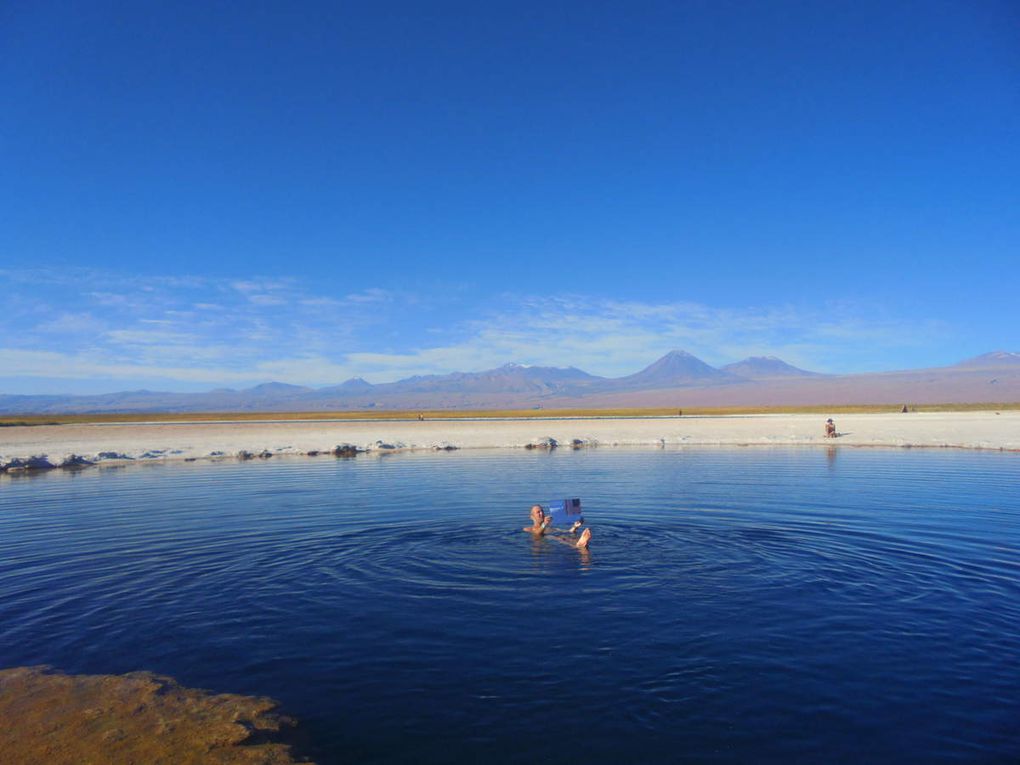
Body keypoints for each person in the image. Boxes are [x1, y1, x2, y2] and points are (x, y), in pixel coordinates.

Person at [523, 504, 591, 549]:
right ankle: (576, 545)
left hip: (550, 538)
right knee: (554, 537)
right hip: (539, 544)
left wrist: (575, 527)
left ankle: (579, 543)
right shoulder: (527, 529)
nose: (542, 513)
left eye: (542, 511)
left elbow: (567, 532)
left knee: (562, 536)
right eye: (538, 512)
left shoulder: (549, 528)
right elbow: (537, 533)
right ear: (532, 517)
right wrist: (544, 524)